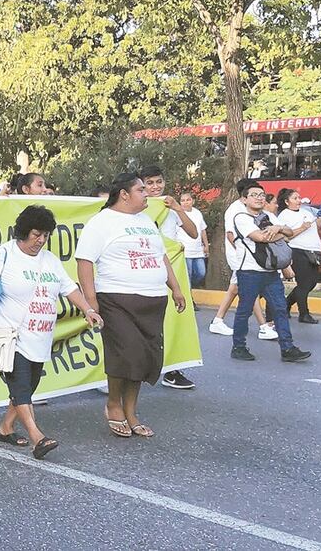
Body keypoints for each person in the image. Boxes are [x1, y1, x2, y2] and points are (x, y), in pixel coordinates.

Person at [0, 205, 103, 459]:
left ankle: (5, 428)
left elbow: (69, 288)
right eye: (36, 234)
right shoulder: (3, 254)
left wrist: (87, 309)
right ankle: (37, 437)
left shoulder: (50, 260)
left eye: (45, 235)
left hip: (40, 337)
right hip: (10, 334)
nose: (40, 240)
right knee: (20, 386)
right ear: (23, 231)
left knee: (28, 386)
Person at [75, 173, 187, 439]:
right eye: (141, 189)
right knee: (126, 354)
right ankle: (114, 404)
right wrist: (91, 301)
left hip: (153, 300)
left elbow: (160, 256)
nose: (147, 193)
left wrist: (176, 288)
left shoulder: (146, 221)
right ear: (124, 194)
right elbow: (84, 261)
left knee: (145, 358)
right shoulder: (101, 222)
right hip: (116, 299)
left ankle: (131, 411)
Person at [230, 183, 312, 363]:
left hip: (270, 271)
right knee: (245, 310)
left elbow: (289, 232)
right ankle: (239, 346)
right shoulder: (241, 218)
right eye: (254, 195)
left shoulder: (268, 216)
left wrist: (278, 228)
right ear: (244, 199)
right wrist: (280, 231)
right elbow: (260, 237)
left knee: (280, 308)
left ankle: (287, 348)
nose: (259, 198)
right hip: (249, 272)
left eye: (261, 194)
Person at [140, 165, 198, 391]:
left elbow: (193, 233)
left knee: (174, 319)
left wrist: (178, 208)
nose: (155, 187)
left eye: (159, 182)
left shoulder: (171, 208)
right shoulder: (138, 208)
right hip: (146, 271)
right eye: (150, 183)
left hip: (173, 269)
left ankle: (172, 369)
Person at [207, 179, 277, 340]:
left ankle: (217, 321)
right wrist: (245, 252)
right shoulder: (235, 210)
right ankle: (263, 327)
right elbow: (230, 235)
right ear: (245, 194)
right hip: (241, 257)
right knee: (249, 289)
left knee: (235, 288)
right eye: (254, 193)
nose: (259, 197)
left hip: (249, 257)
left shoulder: (250, 208)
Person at [276, 189, 321, 324]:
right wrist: (302, 228)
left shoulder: (306, 212)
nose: (299, 201)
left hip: (314, 251)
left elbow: (317, 226)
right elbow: (285, 236)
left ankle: (287, 303)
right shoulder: (284, 215)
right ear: (287, 201)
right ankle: (304, 313)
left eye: (299, 198)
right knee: (303, 283)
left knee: (312, 282)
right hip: (298, 250)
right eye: (295, 198)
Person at [176, 192, 209, 287]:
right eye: (183, 200)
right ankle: (188, 293)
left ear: (193, 201)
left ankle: (192, 288)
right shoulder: (178, 214)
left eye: (188, 200)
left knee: (201, 273)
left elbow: (202, 230)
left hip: (198, 250)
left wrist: (206, 245)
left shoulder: (197, 213)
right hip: (185, 251)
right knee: (188, 275)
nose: (185, 202)